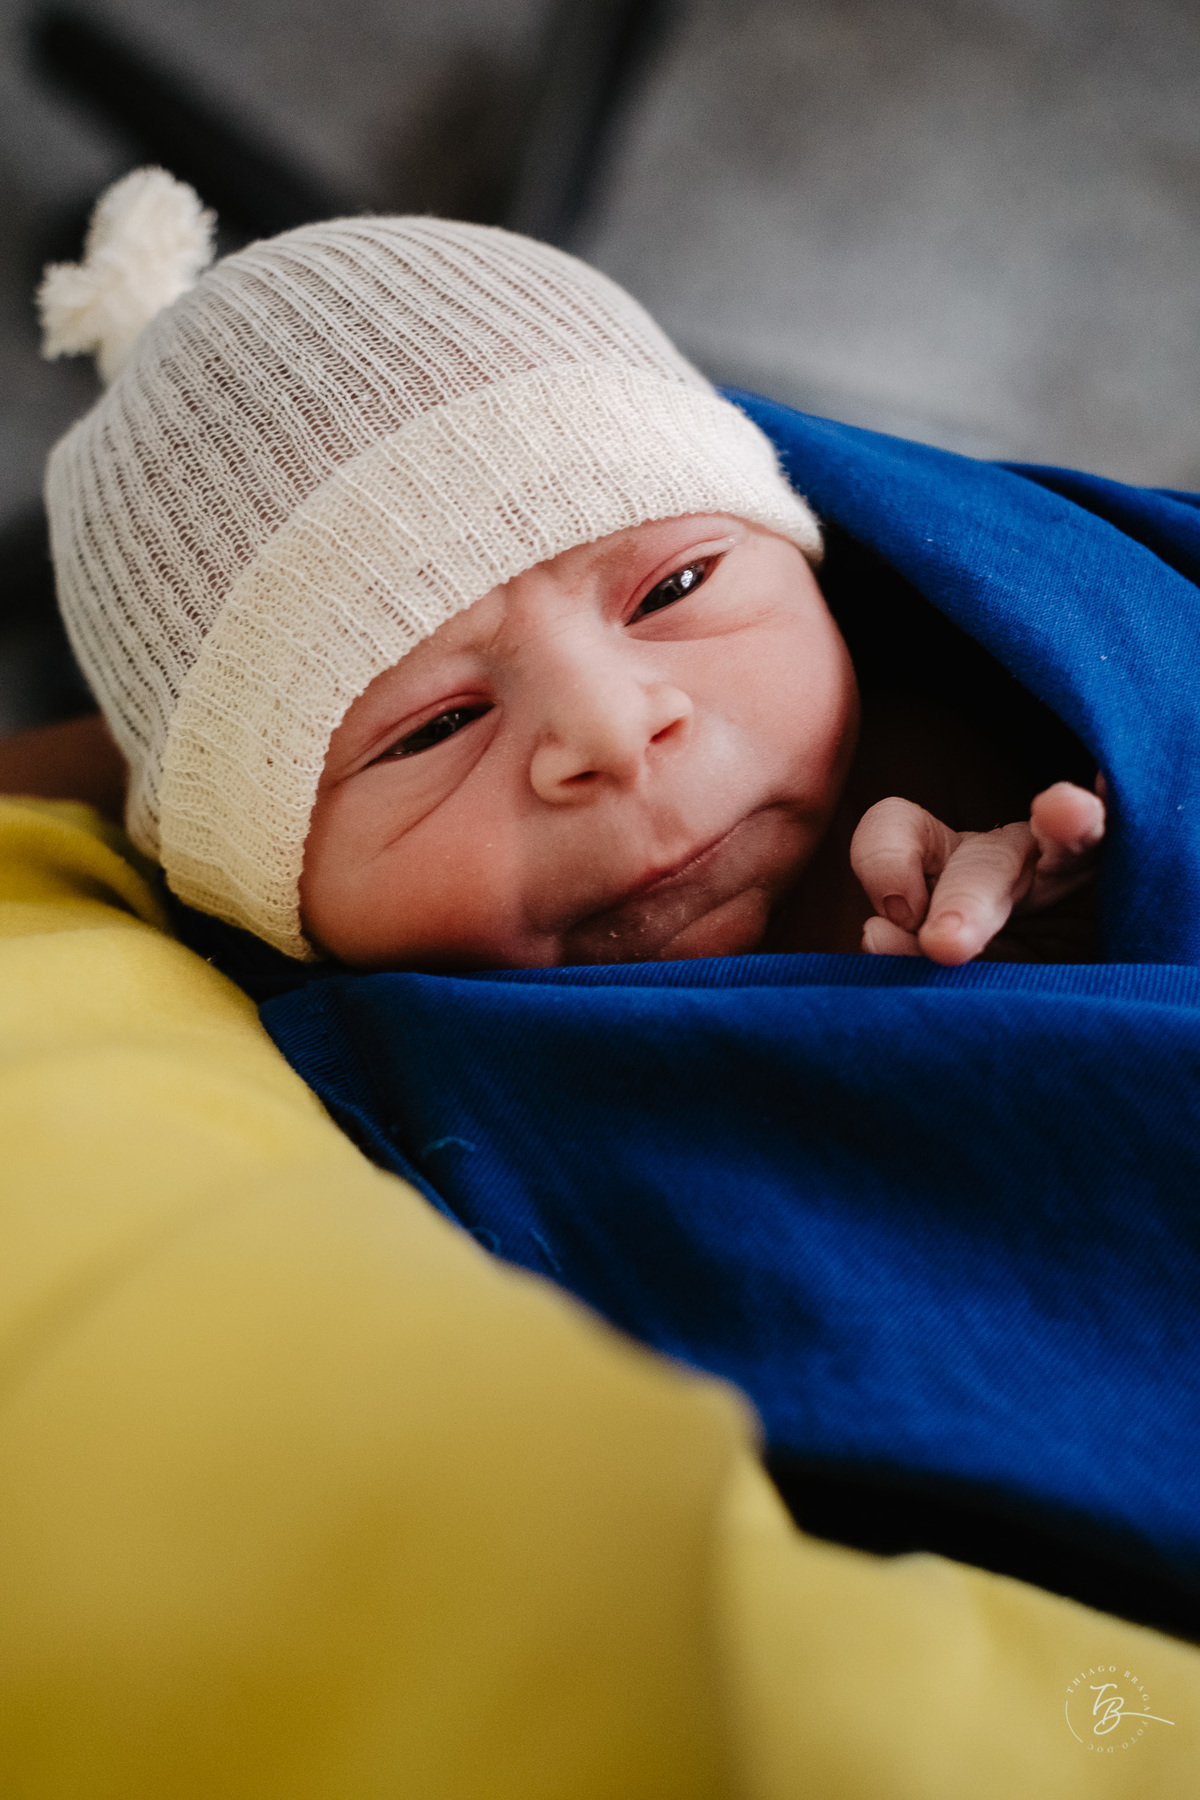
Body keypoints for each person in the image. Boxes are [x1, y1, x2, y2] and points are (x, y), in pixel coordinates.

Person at [28, 167, 1103, 979]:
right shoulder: (342, 1124)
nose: (612, 732)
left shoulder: (1002, 770)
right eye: (432, 728)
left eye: (673, 588)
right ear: (272, 898)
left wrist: (1083, 927)